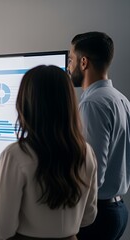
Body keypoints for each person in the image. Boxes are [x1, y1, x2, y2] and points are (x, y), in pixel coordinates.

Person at [0, 65, 98, 240]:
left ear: (25, 103)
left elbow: (2, 230)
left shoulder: (16, 154)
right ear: (69, 103)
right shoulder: (86, 151)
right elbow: (88, 217)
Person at [68, 31, 130, 240]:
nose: (68, 67)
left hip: (97, 215)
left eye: (71, 60)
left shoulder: (92, 104)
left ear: (83, 62)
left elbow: (92, 173)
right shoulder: (121, 100)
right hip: (118, 209)